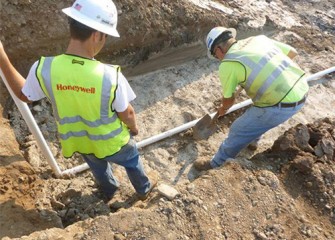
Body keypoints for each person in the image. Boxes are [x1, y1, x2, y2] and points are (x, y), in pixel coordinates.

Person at [0, 0, 158, 201]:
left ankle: (109, 191)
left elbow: (24, 94)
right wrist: (133, 128)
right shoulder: (110, 76)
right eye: (105, 36)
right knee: (132, 159)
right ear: (97, 34)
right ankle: (143, 190)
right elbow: (127, 113)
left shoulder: (45, 68)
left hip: (81, 140)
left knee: (98, 167)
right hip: (113, 142)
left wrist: (2, 55)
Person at [194, 26, 309, 171]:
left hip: (281, 104)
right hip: (302, 89)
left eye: (216, 56)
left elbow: (228, 101)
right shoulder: (258, 39)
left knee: (238, 128)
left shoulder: (228, 64)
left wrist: (223, 109)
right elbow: (293, 52)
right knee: (257, 114)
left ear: (218, 49)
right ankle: (253, 141)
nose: (218, 59)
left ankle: (216, 163)